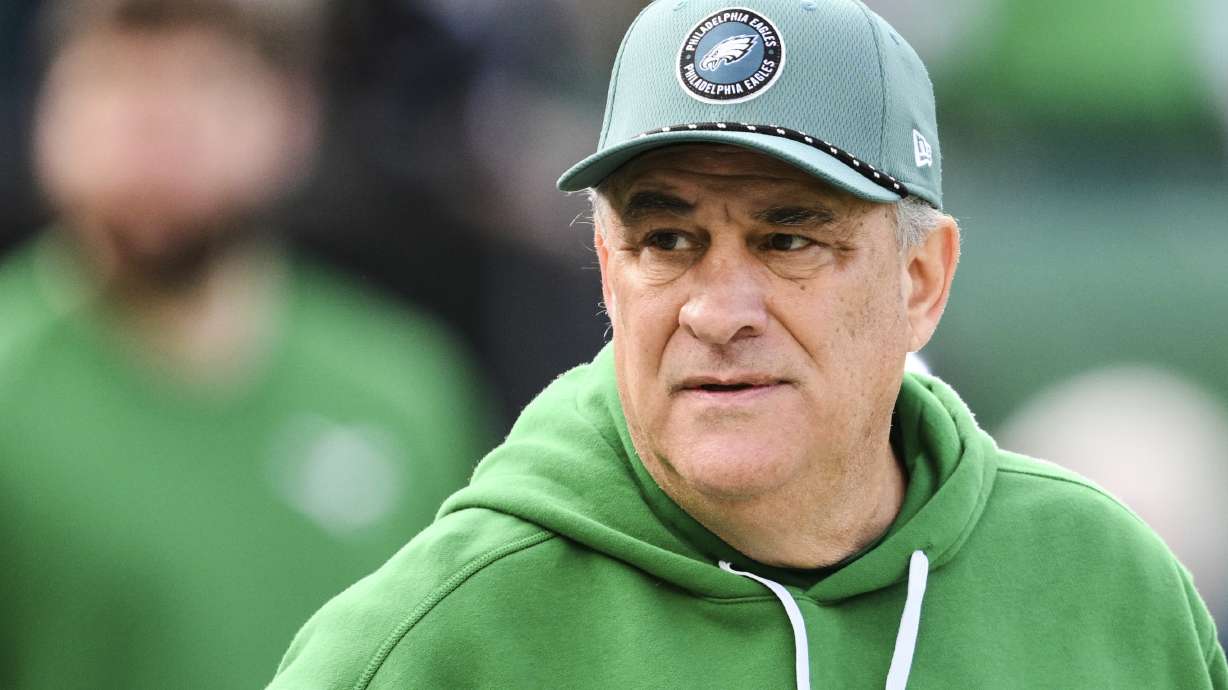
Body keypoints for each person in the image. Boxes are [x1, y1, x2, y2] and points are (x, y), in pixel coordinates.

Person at [269, 1, 1228, 687]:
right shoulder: (436, 641)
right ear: (609, 273)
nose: (718, 310)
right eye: (668, 241)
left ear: (920, 281)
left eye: (788, 239)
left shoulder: (1111, 591)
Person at [0, 1, 494, 687]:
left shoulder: (403, 388)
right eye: (112, 81)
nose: (150, 126)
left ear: (293, 114)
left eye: (200, 83)